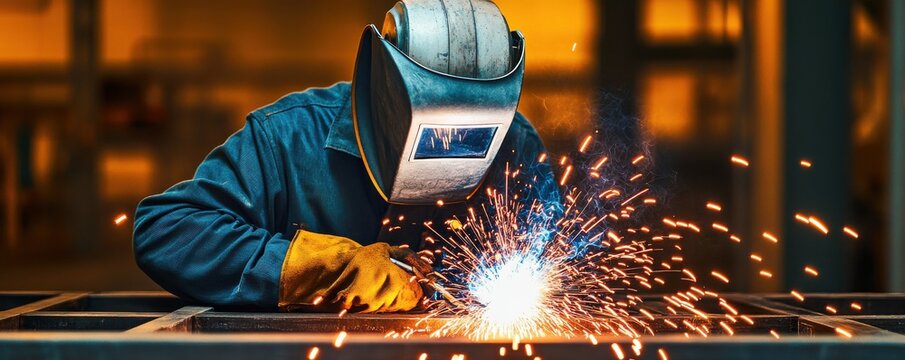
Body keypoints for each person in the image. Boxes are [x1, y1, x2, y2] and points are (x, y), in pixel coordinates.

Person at [133, 0, 555, 313]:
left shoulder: (516, 145)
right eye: (440, 129)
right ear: (388, 92)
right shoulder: (289, 138)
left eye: (473, 132)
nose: (452, 142)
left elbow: (563, 255)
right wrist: (324, 267)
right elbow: (166, 231)